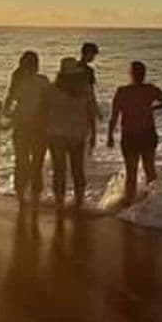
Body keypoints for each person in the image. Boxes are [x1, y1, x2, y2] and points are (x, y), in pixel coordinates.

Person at [107, 61, 162, 206]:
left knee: (131, 173)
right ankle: (152, 204)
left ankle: (129, 204)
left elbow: (114, 116)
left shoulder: (122, 91)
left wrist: (110, 136)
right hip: (147, 134)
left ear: (130, 74)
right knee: (150, 169)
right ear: (144, 74)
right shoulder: (150, 89)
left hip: (130, 135)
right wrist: (154, 108)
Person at [45, 57, 95, 210]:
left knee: (59, 171)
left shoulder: (51, 89)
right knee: (78, 171)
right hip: (77, 134)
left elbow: (44, 112)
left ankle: (59, 203)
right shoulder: (85, 90)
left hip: (55, 134)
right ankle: (79, 202)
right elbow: (91, 113)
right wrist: (93, 133)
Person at [3, 50, 50, 204]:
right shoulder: (43, 81)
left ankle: (21, 195)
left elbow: (6, 108)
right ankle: (35, 195)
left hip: (22, 125)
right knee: (37, 162)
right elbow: (48, 106)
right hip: (39, 126)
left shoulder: (18, 81)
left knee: (21, 160)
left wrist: (15, 116)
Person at [78, 41, 101, 149]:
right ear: (88, 53)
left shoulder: (71, 67)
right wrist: (96, 110)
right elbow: (90, 93)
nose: (93, 57)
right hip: (84, 106)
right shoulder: (88, 71)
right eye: (93, 54)